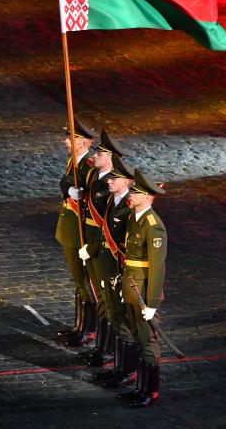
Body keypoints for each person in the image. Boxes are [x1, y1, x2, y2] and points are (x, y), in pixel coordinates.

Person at [118, 168, 167, 408]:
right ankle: (140, 387)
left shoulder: (153, 225)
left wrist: (152, 302)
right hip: (131, 285)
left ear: (146, 197)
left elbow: (157, 268)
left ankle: (151, 391)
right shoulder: (134, 218)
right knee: (137, 336)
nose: (131, 196)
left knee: (148, 342)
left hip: (144, 291)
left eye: (135, 193)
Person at [74, 129, 124, 349]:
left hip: (100, 248)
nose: (95, 156)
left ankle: (105, 349)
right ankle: (101, 347)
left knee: (104, 297)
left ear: (111, 159)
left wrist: (92, 247)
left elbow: (105, 225)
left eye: (100, 154)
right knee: (97, 293)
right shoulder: (97, 177)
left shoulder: (108, 186)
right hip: (91, 242)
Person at [88, 154, 135, 372]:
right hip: (106, 267)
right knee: (112, 314)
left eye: (114, 178)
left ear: (125, 182)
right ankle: (115, 363)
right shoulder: (111, 201)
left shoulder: (129, 210)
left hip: (119, 271)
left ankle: (124, 370)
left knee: (122, 320)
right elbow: (102, 233)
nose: (109, 181)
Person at [55, 116, 96, 345]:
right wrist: (68, 189)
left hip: (80, 232)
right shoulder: (74, 161)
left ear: (85, 142)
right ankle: (79, 325)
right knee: (78, 281)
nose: (66, 141)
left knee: (84, 282)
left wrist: (70, 189)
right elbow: (64, 182)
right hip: (70, 230)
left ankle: (88, 330)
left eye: (71, 137)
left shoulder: (87, 165)